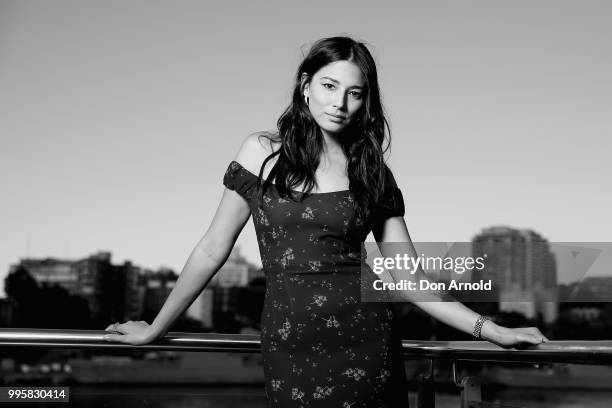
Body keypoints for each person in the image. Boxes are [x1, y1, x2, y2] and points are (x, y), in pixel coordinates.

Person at [103, 36, 549, 407]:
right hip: (289, 343)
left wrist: (490, 330)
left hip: (369, 342)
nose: (340, 103)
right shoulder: (262, 152)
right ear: (305, 86)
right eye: (329, 86)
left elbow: (410, 279)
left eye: (354, 93)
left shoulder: (372, 171)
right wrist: (156, 327)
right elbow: (212, 248)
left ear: (365, 100)